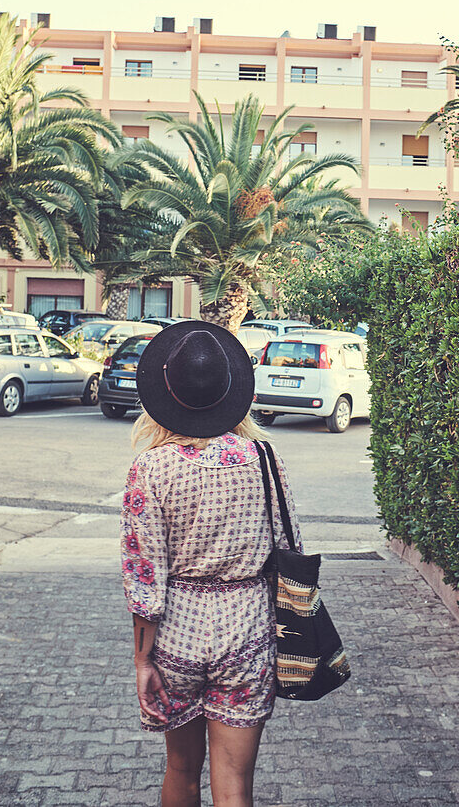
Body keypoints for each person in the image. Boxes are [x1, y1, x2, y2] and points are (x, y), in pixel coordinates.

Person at [120, 320, 302, 807]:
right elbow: (290, 547)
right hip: (246, 630)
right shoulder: (263, 458)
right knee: (235, 785)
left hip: (177, 633)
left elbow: (144, 576)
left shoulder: (151, 469)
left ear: (165, 395)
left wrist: (142, 660)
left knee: (180, 770)